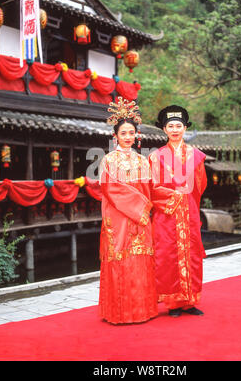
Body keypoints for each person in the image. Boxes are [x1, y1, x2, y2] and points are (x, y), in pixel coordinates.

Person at [96, 98, 181, 325]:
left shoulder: (143, 161)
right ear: (115, 135)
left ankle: (142, 310)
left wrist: (171, 196)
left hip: (140, 220)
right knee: (121, 261)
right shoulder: (108, 161)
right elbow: (111, 190)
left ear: (137, 135)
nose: (128, 137)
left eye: (131, 133)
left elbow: (151, 189)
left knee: (141, 261)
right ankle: (119, 312)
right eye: (123, 133)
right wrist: (141, 207)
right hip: (118, 218)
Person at [148, 105, 207, 317]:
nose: (175, 129)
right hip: (167, 214)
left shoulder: (196, 156)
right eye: (170, 126)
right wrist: (176, 197)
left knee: (191, 255)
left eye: (178, 126)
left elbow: (200, 185)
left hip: (189, 213)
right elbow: (153, 187)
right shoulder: (157, 156)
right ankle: (173, 303)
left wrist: (189, 202)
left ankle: (189, 301)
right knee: (168, 256)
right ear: (164, 129)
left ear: (185, 128)